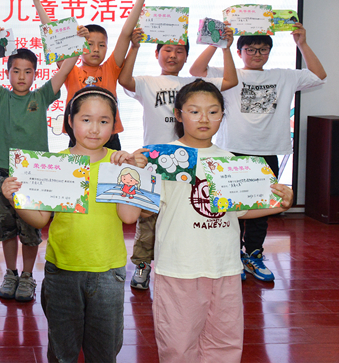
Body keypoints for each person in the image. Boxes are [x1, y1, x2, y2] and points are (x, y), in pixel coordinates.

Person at [2, 86, 147, 362]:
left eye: (104, 121)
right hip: (62, 271)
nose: (94, 129)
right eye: (86, 119)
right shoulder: (57, 164)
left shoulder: (119, 163)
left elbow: (129, 217)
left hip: (108, 272)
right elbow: (40, 219)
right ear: (70, 121)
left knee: (104, 352)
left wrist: (132, 170)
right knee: (62, 351)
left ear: (114, 125)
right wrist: (16, 200)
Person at [153, 79, 293, 362]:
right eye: (194, 111)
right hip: (180, 267)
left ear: (222, 115)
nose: (204, 118)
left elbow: (240, 211)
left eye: (213, 111)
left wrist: (280, 203)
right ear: (178, 114)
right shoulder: (165, 157)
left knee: (225, 343)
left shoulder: (230, 161)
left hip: (225, 266)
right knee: (178, 345)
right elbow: (144, 210)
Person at [189, 23, 326, 281]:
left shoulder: (283, 76)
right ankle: (232, 257)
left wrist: (302, 44)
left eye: (263, 49)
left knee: (261, 209)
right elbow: (196, 70)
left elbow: (319, 75)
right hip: (231, 153)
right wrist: (219, 43)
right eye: (250, 49)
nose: (257, 54)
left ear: (270, 52)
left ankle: (254, 255)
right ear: (240, 52)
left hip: (267, 152)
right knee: (230, 209)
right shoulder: (229, 74)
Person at [118, 26, 238, 290]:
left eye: (180, 51)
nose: (173, 55)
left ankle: (183, 262)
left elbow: (230, 81)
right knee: (147, 217)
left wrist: (224, 46)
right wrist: (134, 47)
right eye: (167, 50)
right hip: (154, 160)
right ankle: (142, 264)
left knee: (183, 214)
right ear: (157, 53)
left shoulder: (195, 85)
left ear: (186, 56)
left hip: (190, 161)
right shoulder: (147, 81)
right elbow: (124, 80)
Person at [0, 27, 79, 301]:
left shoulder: (41, 96)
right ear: (8, 72)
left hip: (34, 174)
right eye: (16, 71)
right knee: (6, 227)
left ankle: (28, 276)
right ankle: (10, 273)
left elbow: (66, 69)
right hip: (3, 172)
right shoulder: (1, 95)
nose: (21, 76)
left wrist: (75, 40)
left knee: (31, 231)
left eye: (28, 71)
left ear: (35, 73)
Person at [28, 0, 150, 149]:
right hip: (78, 136)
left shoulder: (110, 68)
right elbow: (54, 39)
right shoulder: (71, 70)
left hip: (109, 138)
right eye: (89, 44)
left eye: (102, 45)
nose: (96, 49)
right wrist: (37, 1)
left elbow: (125, 33)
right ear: (80, 46)